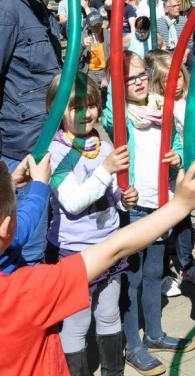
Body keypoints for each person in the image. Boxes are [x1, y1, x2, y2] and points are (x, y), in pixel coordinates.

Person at [0, 154, 195, 376]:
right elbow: (115, 248)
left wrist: (12, 183)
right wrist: (180, 206)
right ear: (6, 227)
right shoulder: (27, 292)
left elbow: (23, 221)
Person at [102, 51, 193, 375]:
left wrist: (178, 157)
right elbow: (110, 113)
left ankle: (153, 333)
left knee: (155, 273)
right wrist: (112, 84)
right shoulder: (120, 115)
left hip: (161, 203)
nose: (138, 82)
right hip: (136, 207)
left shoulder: (159, 105)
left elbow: (178, 142)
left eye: (141, 75)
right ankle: (132, 344)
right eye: (128, 79)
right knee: (134, 278)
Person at [44, 72, 138, 375]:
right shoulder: (55, 152)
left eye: (93, 105)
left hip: (108, 247)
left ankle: (114, 371)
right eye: (76, 107)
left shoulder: (104, 148)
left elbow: (112, 196)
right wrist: (106, 170)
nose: (87, 113)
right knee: (77, 323)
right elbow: (73, 203)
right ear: (56, 110)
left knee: (109, 314)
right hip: (74, 254)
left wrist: (125, 199)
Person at [0, 0, 62, 265]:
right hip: (21, 151)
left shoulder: (33, 5)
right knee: (26, 249)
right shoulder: (6, 9)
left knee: (43, 241)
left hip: (44, 140)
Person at [146, 51, 195, 290]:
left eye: (179, 77)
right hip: (164, 172)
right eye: (166, 82)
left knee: (183, 219)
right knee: (164, 220)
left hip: (185, 166)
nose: (176, 84)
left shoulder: (191, 100)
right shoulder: (155, 106)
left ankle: (186, 264)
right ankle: (162, 271)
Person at [0, 153, 51, 274]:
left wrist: (10, 183)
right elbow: (25, 221)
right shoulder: (10, 235)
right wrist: (40, 185)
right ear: (5, 228)